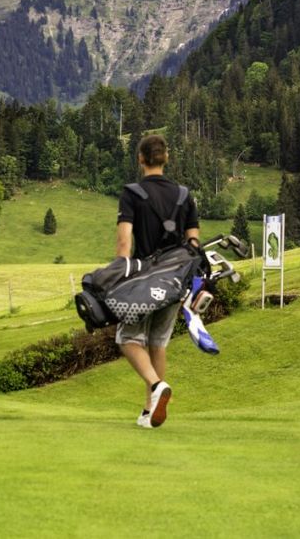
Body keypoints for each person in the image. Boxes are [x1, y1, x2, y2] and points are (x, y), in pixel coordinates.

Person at [115, 134, 199, 429]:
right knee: (157, 343)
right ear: (167, 158)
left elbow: (125, 240)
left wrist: (120, 275)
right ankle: (149, 411)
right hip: (175, 279)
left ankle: (155, 385)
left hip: (143, 278)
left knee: (127, 338)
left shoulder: (132, 193)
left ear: (141, 159)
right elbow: (193, 242)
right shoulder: (184, 195)